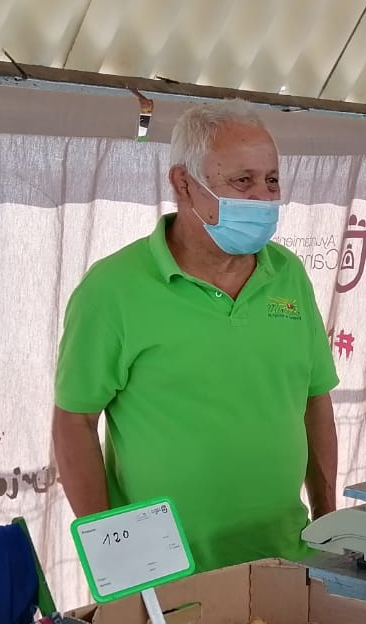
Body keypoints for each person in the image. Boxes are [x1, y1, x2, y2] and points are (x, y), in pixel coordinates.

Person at [52, 101, 339, 574]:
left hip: (287, 557)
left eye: (272, 181)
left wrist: (328, 521)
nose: (263, 199)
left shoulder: (288, 275)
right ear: (183, 184)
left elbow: (315, 401)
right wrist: (117, 556)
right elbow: (73, 423)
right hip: (170, 572)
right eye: (242, 181)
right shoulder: (113, 289)